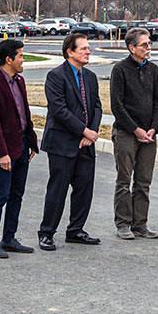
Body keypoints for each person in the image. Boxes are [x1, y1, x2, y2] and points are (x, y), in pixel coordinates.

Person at [38, 32, 102, 251]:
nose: (88, 51)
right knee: (58, 189)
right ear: (70, 52)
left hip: (86, 143)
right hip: (62, 143)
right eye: (83, 48)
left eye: (88, 48)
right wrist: (83, 130)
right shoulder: (56, 76)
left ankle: (76, 230)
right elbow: (59, 110)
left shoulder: (91, 77)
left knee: (84, 189)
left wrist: (91, 132)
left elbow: (96, 107)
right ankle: (46, 232)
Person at [0, 38, 39, 258]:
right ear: (8, 59)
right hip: (4, 151)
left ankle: (9, 238)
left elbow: (24, 114)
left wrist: (32, 142)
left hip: (22, 147)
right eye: (21, 56)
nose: (23, 59)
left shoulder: (20, 81)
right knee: (1, 194)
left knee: (17, 194)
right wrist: (1, 153)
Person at [110, 27, 158, 240]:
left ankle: (140, 224)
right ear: (132, 48)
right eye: (144, 44)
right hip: (126, 134)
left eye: (149, 43)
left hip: (148, 136)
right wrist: (136, 129)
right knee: (124, 180)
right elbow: (117, 105)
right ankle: (123, 223)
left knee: (143, 181)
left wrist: (152, 128)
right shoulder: (120, 69)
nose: (149, 47)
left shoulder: (154, 70)